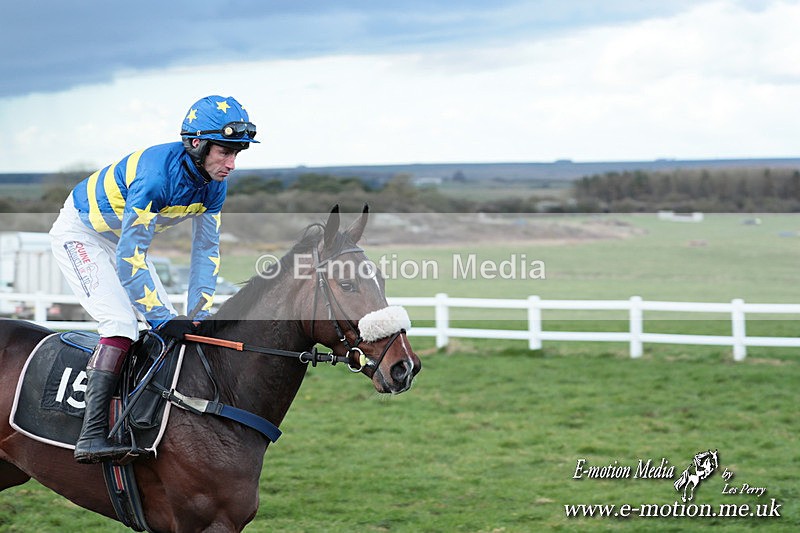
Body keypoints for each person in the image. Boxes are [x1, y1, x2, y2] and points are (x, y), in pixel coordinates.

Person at [49, 95, 258, 463]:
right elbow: (129, 258)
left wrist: (198, 313)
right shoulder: (157, 177)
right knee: (120, 323)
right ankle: (91, 434)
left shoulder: (214, 184)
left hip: (122, 241)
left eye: (237, 154)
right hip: (81, 234)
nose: (232, 164)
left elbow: (205, 252)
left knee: (170, 324)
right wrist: (163, 316)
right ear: (196, 143)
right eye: (225, 152)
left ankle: (138, 415)